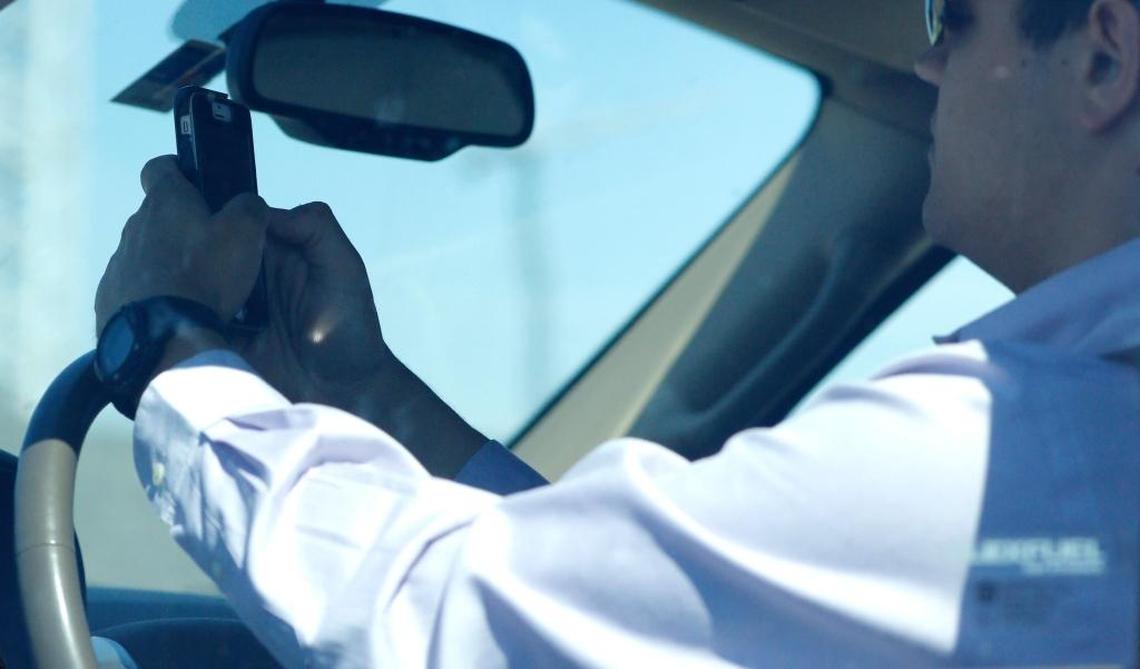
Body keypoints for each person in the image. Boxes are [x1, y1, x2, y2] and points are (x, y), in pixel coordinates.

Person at [93, 0, 1140, 666]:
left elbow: (438, 620)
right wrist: (365, 387)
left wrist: (171, 342)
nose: (925, 66)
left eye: (954, 21)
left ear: (1104, 57)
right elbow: (634, 612)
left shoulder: (1021, 446)